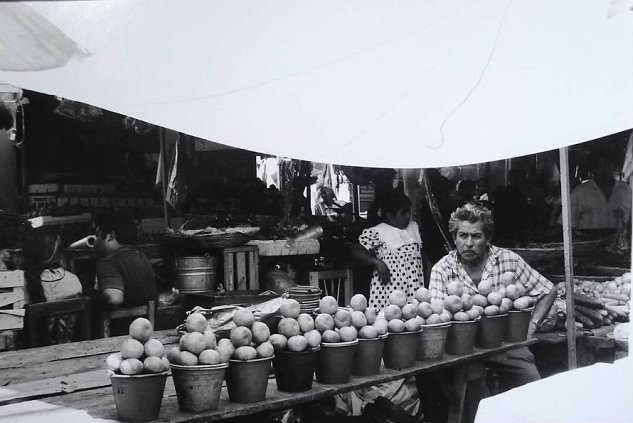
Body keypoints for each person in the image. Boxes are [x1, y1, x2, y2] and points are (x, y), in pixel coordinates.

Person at [423, 202, 557, 423]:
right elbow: (437, 317)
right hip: (463, 352)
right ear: (454, 238)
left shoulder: (508, 260)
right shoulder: (442, 269)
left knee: (534, 388)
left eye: (476, 236)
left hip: (506, 345)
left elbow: (548, 289)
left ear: (487, 238)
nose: (468, 243)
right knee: (469, 401)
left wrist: (532, 325)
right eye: (462, 235)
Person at [353, 190, 424, 311]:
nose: (408, 216)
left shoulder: (414, 227)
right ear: (390, 215)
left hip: (414, 290)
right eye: (403, 213)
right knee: (389, 321)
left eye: (409, 212)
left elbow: (423, 256)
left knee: (413, 320)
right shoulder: (378, 231)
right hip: (388, 292)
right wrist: (377, 262)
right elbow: (356, 251)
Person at [23, 228, 83, 345]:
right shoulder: (73, 279)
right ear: (58, 252)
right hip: (69, 349)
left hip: (30, 353)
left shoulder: (20, 283)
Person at [94, 213, 157, 309]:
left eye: (98, 235)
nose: (96, 241)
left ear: (111, 236)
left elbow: (115, 299)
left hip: (123, 323)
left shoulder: (108, 263)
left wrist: (95, 295)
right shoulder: (142, 257)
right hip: (147, 321)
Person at [569, 156, 631, 234]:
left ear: (615, 166)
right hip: (588, 244)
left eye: (608, 164)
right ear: (594, 167)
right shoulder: (579, 192)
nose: (604, 169)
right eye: (600, 165)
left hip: (620, 243)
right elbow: (567, 226)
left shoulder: (626, 190)